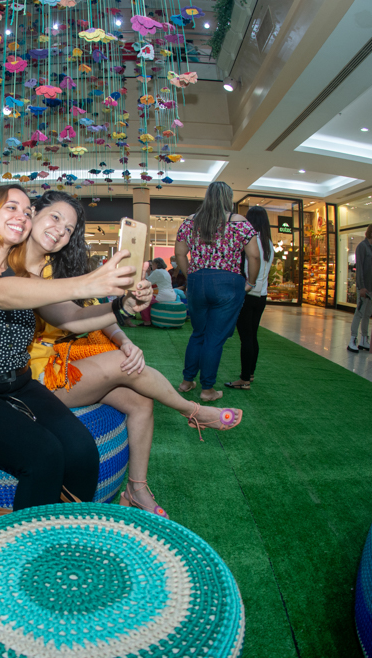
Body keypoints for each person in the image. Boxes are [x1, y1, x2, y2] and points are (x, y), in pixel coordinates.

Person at [24, 191, 242, 518]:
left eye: (69, 228)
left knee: (140, 399)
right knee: (120, 365)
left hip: (67, 357)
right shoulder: (20, 271)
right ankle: (194, 411)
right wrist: (115, 302)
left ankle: (136, 489)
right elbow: (68, 317)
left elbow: (87, 314)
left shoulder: (57, 268)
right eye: (55, 217)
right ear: (32, 213)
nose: (61, 230)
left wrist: (125, 338)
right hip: (33, 377)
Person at [0, 184, 145, 511]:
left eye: (27, 211)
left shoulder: (27, 279)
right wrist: (89, 282)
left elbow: (73, 319)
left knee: (83, 451)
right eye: (11, 207)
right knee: (44, 455)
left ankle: (66, 531)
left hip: (20, 385)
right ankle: (28, 548)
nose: (22, 215)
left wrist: (122, 306)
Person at [175, 181, 261, 402]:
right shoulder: (240, 223)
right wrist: (250, 282)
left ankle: (186, 381)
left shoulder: (189, 222)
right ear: (228, 198)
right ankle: (207, 389)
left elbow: (180, 255)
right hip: (228, 282)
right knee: (214, 338)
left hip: (197, 281)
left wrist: (191, 275)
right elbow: (254, 256)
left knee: (198, 333)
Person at [225, 205, 275, 388]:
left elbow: (249, 268)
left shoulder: (252, 240)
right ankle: (250, 373)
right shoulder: (268, 242)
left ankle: (244, 379)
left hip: (248, 293)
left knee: (246, 337)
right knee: (252, 336)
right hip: (261, 296)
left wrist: (244, 288)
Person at [348, 224, 372, 353]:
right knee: (359, 312)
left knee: (367, 314)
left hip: (371, 287)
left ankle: (364, 339)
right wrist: (361, 287)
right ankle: (353, 338)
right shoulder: (362, 247)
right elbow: (359, 267)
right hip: (364, 287)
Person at [137, 258, 176, 326]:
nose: (152, 267)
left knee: (143, 300)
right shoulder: (165, 271)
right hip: (172, 295)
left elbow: (146, 282)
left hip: (163, 296)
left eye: (152, 265)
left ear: (156, 264)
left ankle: (147, 321)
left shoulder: (157, 271)